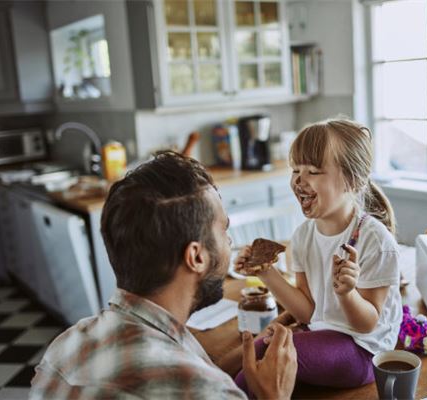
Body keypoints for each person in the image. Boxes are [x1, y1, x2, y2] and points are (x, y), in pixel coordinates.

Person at [30, 151, 297, 399]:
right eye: (224, 230)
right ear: (196, 257)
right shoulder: (208, 391)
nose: (230, 242)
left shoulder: (64, 346)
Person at [233, 117, 402, 395]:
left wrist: (347, 293)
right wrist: (265, 272)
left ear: (353, 180)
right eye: (295, 169)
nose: (299, 179)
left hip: (363, 352)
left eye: (313, 171)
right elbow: (307, 312)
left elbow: (367, 323)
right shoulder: (302, 237)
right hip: (321, 335)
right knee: (259, 349)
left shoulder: (375, 240)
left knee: (271, 353)